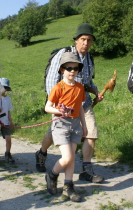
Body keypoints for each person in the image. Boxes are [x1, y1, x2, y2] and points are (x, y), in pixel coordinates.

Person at [36, 23, 104, 183]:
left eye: (89, 40)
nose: (86, 43)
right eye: (83, 39)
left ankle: (86, 170)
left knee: (91, 133)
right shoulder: (64, 54)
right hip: (63, 107)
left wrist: (95, 91)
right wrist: (58, 105)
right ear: (76, 40)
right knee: (52, 134)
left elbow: (87, 81)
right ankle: (42, 153)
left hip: (83, 103)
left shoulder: (89, 59)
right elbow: (52, 81)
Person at [45, 52, 88, 202]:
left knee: (72, 158)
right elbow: (47, 107)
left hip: (75, 124)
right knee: (67, 157)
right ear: (62, 70)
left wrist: (84, 125)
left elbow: (81, 108)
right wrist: (60, 110)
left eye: (75, 68)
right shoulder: (58, 88)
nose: (72, 71)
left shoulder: (80, 88)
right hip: (60, 124)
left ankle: (68, 187)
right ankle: (52, 174)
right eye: (69, 68)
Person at [0, 78, 15, 164]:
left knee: (8, 139)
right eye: (1, 87)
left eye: (5, 87)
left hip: (5, 122)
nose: (3, 89)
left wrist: (10, 122)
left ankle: (8, 153)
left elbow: (8, 111)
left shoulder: (8, 99)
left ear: (7, 89)